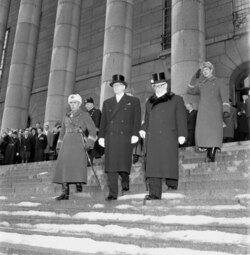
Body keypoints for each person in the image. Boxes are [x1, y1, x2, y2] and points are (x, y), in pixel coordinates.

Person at [139, 72, 187, 201]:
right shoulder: (150, 101)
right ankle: (154, 193)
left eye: (161, 85)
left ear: (166, 85)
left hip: (169, 135)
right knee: (153, 165)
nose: (159, 87)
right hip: (153, 137)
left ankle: (172, 184)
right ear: (153, 87)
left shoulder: (176, 99)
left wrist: (182, 134)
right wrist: (143, 129)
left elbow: (181, 118)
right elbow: (146, 118)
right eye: (156, 85)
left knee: (168, 162)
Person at [98, 74, 141, 201]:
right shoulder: (107, 103)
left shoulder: (133, 101)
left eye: (118, 85)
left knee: (122, 163)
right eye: (114, 85)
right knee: (111, 166)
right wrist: (101, 136)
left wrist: (135, 134)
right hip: (110, 136)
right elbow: (103, 121)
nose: (116, 87)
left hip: (125, 137)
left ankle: (125, 179)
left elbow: (136, 119)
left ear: (124, 87)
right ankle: (113, 193)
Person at [53, 94, 96, 201]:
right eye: (71, 103)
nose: (73, 105)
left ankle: (78, 183)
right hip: (66, 143)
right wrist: (59, 144)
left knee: (76, 165)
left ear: (79, 103)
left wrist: (90, 143)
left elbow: (92, 130)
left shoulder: (85, 114)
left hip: (78, 141)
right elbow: (62, 132)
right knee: (64, 166)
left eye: (75, 102)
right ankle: (64, 192)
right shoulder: (66, 116)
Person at [187, 61, 230, 162]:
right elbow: (190, 90)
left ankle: (212, 151)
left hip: (215, 110)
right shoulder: (202, 84)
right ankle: (207, 148)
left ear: (211, 70)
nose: (204, 72)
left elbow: (225, 96)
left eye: (207, 69)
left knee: (214, 131)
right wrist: (195, 77)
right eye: (203, 70)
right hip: (203, 111)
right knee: (203, 131)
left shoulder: (219, 81)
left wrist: (226, 109)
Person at [84, 97, 103, 163]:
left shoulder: (96, 111)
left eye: (88, 104)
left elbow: (97, 124)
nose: (87, 106)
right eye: (86, 104)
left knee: (92, 149)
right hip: (86, 134)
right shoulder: (85, 114)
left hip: (94, 133)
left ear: (92, 104)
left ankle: (90, 161)